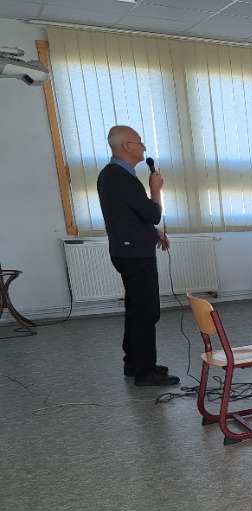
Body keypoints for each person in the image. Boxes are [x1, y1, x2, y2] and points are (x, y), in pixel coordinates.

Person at [97, 125, 178, 386]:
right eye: (139, 142)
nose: (144, 146)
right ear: (126, 146)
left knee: (136, 310)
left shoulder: (113, 175)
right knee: (146, 312)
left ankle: (134, 364)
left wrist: (153, 233)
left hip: (128, 250)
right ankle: (145, 372)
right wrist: (156, 189)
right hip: (134, 254)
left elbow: (128, 216)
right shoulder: (120, 176)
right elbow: (152, 213)